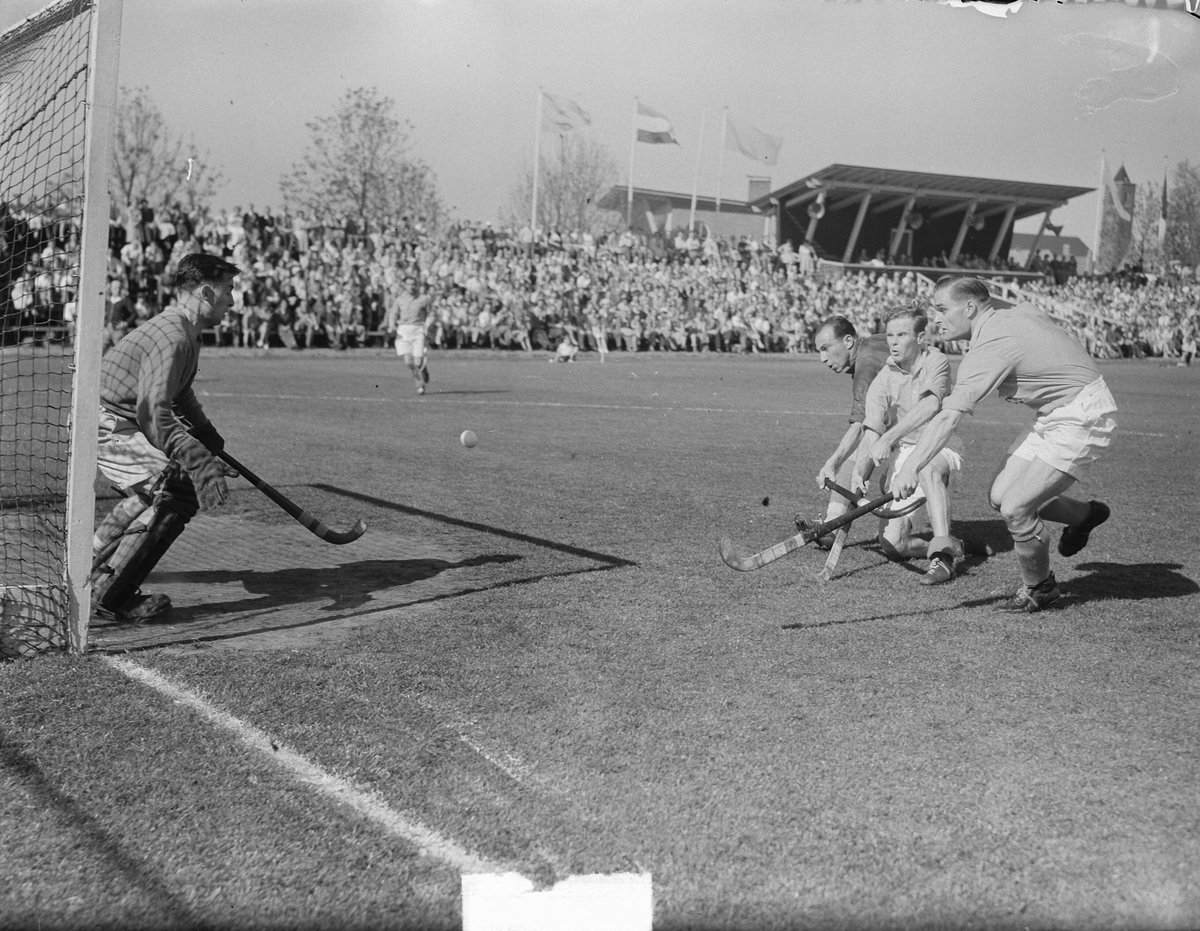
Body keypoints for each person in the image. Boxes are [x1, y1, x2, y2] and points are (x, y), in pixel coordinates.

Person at [891, 276, 1117, 613]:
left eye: (941, 309)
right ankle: (1085, 515)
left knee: (1016, 508)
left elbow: (947, 418)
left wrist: (911, 466)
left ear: (970, 307)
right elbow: (1040, 320)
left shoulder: (989, 347)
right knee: (999, 496)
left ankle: (1040, 588)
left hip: (1082, 414)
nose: (934, 318)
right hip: (1052, 412)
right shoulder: (1012, 312)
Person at [91, 252, 241, 621]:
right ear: (206, 292)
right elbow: (152, 411)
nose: (233, 302)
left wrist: (205, 435)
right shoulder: (173, 336)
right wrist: (195, 458)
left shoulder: (184, 332)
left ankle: (87, 568)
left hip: (116, 420)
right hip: (107, 422)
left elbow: (178, 392)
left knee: (159, 493)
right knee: (172, 489)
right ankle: (109, 597)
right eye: (229, 291)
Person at [850, 303, 967, 585]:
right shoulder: (884, 378)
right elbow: (872, 429)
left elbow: (930, 405)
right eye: (890, 335)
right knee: (893, 544)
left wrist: (889, 438)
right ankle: (953, 545)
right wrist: (861, 471)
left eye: (901, 335)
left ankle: (943, 559)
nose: (893, 342)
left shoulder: (936, 361)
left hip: (942, 446)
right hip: (905, 452)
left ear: (920, 337)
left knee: (927, 471)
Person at [801, 315, 890, 544]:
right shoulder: (874, 343)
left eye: (826, 348)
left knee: (894, 542)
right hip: (910, 418)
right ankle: (831, 524)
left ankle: (831, 526)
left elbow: (860, 425)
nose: (822, 358)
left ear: (848, 341)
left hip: (920, 430)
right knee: (853, 459)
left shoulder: (866, 364)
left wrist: (831, 462)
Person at [383, 275, 434, 395]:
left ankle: (421, 373)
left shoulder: (423, 299)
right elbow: (393, 313)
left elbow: (430, 313)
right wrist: (392, 326)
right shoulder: (400, 299)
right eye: (408, 284)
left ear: (417, 285)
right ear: (404, 285)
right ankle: (418, 379)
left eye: (413, 284)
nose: (411, 287)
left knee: (417, 362)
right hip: (403, 330)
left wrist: (427, 325)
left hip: (418, 330)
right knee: (408, 361)